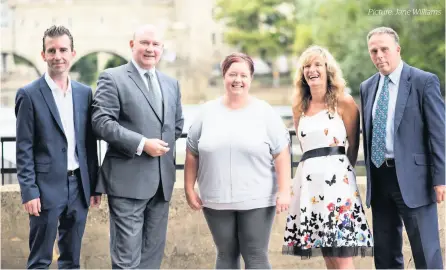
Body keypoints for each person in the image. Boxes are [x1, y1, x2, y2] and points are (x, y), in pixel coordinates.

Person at [184, 52, 291, 269]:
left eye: (243, 75)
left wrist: (284, 191)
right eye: (232, 74)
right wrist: (189, 188)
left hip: (257, 199)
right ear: (224, 76)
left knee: (255, 255)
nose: (238, 80)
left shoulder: (264, 112)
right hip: (215, 199)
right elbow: (191, 151)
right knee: (225, 254)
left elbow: (281, 152)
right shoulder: (206, 112)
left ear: (251, 79)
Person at [91, 24, 184, 269]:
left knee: (151, 260)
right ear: (132, 45)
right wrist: (142, 144)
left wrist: (161, 149)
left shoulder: (171, 84)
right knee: (126, 261)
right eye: (144, 43)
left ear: (162, 49)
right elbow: (101, 123)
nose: (150, 49)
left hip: (162, 183)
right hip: (127, 182)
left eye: (155, 44)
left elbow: (176, 126)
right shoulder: (112, 77)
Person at [15, 25, 101, 269]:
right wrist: (29, 191)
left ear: (73, 53)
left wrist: (93, 186)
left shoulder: (85, 93)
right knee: (40, 260)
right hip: (45, 190)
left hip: (79, 188)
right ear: (43, 55)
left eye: (63, 49)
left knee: (71, 260)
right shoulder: (29, 94)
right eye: (51, 50)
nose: (57, 56)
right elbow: (23, 148)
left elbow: (89, 143)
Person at [360, 27, 444, 269]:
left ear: (397, 49)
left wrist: (441, 179)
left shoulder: (423, 81)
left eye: (384, 49)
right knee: (385, 255)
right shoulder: (367, 87)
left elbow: (439, 134)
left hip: (414, 178)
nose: (379, 55)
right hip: (379, 179)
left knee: (425, 253)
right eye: (373, 51)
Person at [282, 45, 373, 269]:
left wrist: (339, 172)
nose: (312, 70)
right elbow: (304, 147)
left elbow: (353, 145)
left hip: (337, 187)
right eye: (307, 66)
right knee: (328, 255)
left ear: (327, 69)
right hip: (309, 185)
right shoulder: (299, 107)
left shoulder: (344, 102)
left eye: (317, 65)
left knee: (341, 255)